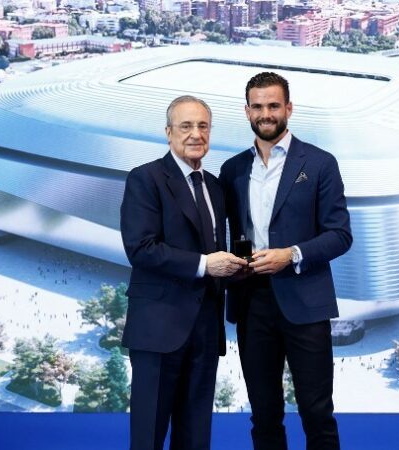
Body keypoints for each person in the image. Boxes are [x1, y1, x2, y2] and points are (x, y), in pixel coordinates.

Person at [219, 73, 352, 450]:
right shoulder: (231, 170)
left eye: (273, 105)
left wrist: (290, 255)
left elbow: (340, 234)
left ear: (288, 109)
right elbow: (229, 234)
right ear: (247, 111)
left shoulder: (321, 163)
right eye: (258, 106)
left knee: (316, 411)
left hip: (305, 303)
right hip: (251, 304)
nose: (266, 113)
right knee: (263, 414)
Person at [120, 95, 247, 450]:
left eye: (203, 126)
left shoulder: (216, 187)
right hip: (158, 331)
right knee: (149, 437)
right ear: (168, 132)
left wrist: (243, 267)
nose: (195, 134)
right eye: (186, 126)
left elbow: (217, 249)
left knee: (196, 438)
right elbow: (141, 249)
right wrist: (207, 265)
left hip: (205, 330)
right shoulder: (145, 179)